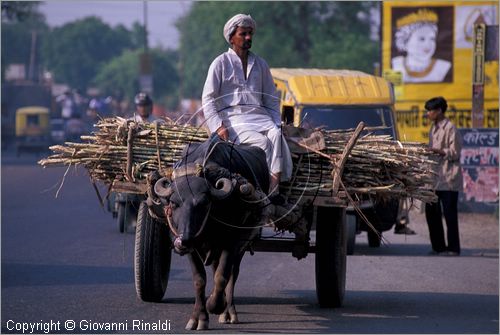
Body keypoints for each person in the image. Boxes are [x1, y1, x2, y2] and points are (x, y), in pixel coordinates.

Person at [201, 14, 293, 198]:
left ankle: (274, 189)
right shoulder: (220, 63)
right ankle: (260, 190)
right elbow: (208, 98)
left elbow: (271, 100)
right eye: (243, 34)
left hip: (260, 117)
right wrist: (218, 126)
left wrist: (276, 123)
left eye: (250, 33)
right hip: (233, 119)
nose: (248, 38)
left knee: (276, 135)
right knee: (263, 144)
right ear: (232, 37)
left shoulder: (261, 64)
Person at [424, 96, 463, 256]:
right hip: (434, 178)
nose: (428, 114)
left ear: (439, 111)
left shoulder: (450, 128)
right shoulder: (433, 128)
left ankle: (453, 248)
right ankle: (438, 247)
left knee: (450, 215)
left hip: (449, 179)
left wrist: (437, 151)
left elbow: (455, 153)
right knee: (431, 212)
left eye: (430, 111)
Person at [392, 9, 451, 83]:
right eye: (421, 39)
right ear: (405, 42)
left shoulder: (443, 66)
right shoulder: (396, 64)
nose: (428, 44)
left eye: (432, 39)